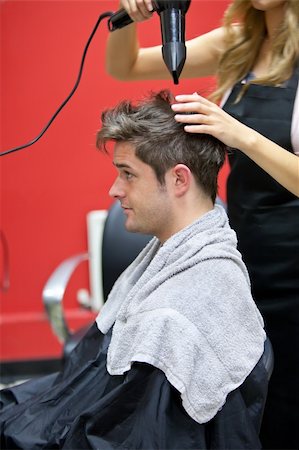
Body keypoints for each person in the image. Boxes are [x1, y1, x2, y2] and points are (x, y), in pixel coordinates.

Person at [0, 90, 269, 449]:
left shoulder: (176, 316)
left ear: (178, 180)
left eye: (128, 174)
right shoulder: (182, 254)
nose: (114, 190)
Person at [105, 1, 299, 448]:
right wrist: (126, 18)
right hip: (247, 254)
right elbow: (125, 65)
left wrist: (239, 134)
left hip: (295, 263)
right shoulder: (239, 42)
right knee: (251, 397)